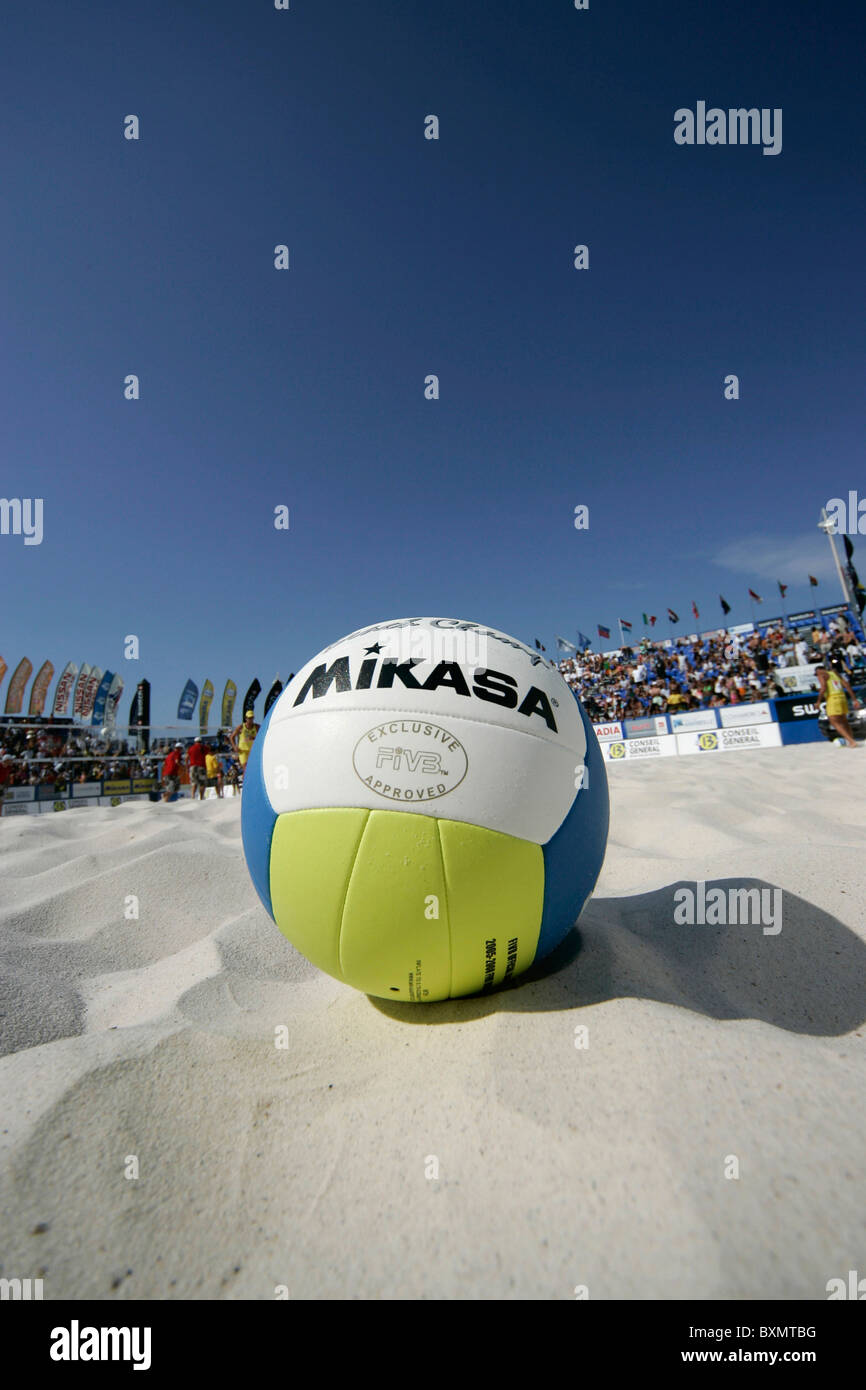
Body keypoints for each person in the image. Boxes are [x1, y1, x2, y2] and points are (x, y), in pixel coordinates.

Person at [816, 656, 861, 748]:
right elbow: (847, 684)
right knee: (844, 721)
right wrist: (854, 699)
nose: (817, 676)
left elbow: (823, 688)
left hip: (833, 698)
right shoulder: (834, 673)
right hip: (842, 697)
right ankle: (851, 740)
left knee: (834, 721)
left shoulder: (821, 674)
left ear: (818, 671)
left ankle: (851, 741)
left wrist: (818, 701)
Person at [187, 736, 208, 800]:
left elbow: (187, 758)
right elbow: (209, 752)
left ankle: (193, 796)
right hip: (201, 766)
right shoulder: (203, 747)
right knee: (202, 783)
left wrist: (187, 766)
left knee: (194, 783)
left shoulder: (191, 748)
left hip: (193, 767)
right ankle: (201, 797)